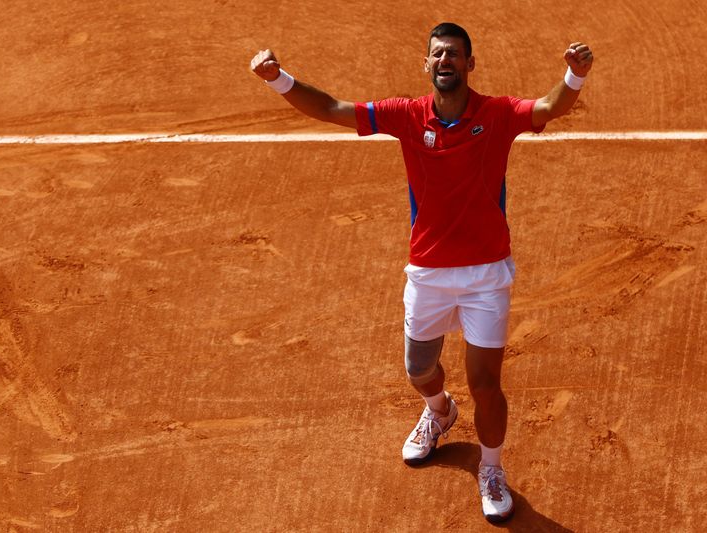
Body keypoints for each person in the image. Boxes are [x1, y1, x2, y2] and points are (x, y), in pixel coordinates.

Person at [250, 22, 593, 523]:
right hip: (428, 272)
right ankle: (439, 412)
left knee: (486, 384)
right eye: (437, 55)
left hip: (485, 275)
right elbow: (331, 109)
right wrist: (278, 79)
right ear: (427, 64)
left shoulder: (496, 115)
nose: (446, 61)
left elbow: (548, 107)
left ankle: (491, 467)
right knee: (418, 371)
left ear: (469, 64)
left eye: (454, 54)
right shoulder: (407, 116)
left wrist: (574, 75)